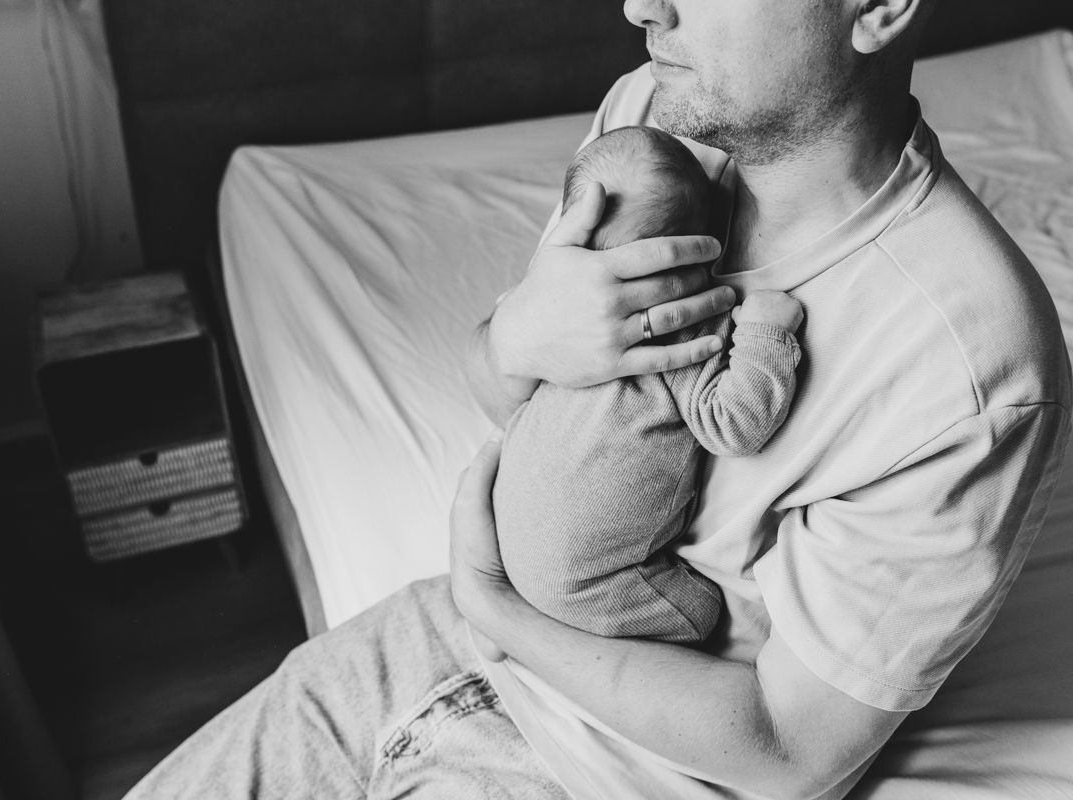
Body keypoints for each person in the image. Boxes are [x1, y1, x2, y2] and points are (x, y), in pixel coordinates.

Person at [124, 0, 1071, 798]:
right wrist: (514, 337)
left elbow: (790, 753)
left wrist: (501, 614)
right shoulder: (656, 119)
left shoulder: (971, 366)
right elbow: (528, 402)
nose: (639, 8)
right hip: (431, 637)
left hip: (605, 772)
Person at [496, 124, 803, 644]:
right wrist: (765, 334)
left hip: (509, 533)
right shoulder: (681, 328)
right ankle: (516, 632)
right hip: (581, 582)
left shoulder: (557, 310)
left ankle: (505, 629)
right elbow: (732, 426)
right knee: (704, 616)